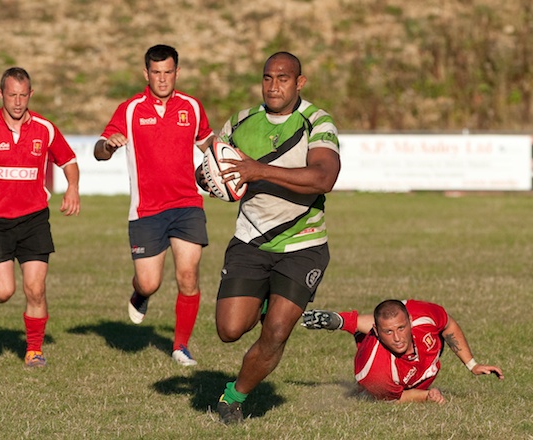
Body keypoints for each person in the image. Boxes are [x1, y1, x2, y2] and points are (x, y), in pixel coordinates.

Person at [210, 52, 341, 424]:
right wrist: (212, 181)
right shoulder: (240, 122)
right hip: (250, 239)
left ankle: (233, 397)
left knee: (277, 330)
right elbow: (214, 168)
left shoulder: (317, 121)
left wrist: (257, 170)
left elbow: (323, 178)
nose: (274, 86)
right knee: (229, 329)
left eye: (283, 78)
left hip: (304, 244)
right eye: (268, 78)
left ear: (300, 82)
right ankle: (265, 300)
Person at [94, 44, 214, 366]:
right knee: (150, 282)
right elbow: (98, 151)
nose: (162, 79)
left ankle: (180, 346)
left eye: (168, 72)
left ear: (177, 72)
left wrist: (225, 161)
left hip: (188, 204)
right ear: (146, 74)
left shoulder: (192, 106)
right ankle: (140, 293)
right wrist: (108, 144)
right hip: (146, 210)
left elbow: (208, 144)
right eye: (156, 73)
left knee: (188, 275)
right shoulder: (130, 109)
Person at [0, 67, 80, 368]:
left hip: (34, 219)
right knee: (4, 291)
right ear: (1, 94)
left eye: (23, 95)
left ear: (30, 94)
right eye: (12, 95)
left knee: (35, 288)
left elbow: (69, 160)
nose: (18, 101)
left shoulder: (45, 128)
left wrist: (72, 188)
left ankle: (34, 350)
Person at [302, 299, 504, 403]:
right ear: (377, 332)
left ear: (410, 321)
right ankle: (346, 324)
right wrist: (425, 397)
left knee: (390, 322)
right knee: (371, 395)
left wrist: (472, 364)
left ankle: (342, 321)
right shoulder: (377, 372)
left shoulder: (422, 317)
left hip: (414, 355)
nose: (398, 338)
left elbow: (448, 324)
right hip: (378, 365)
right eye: (389, 332)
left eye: (402, 328)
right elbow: (396, 399)